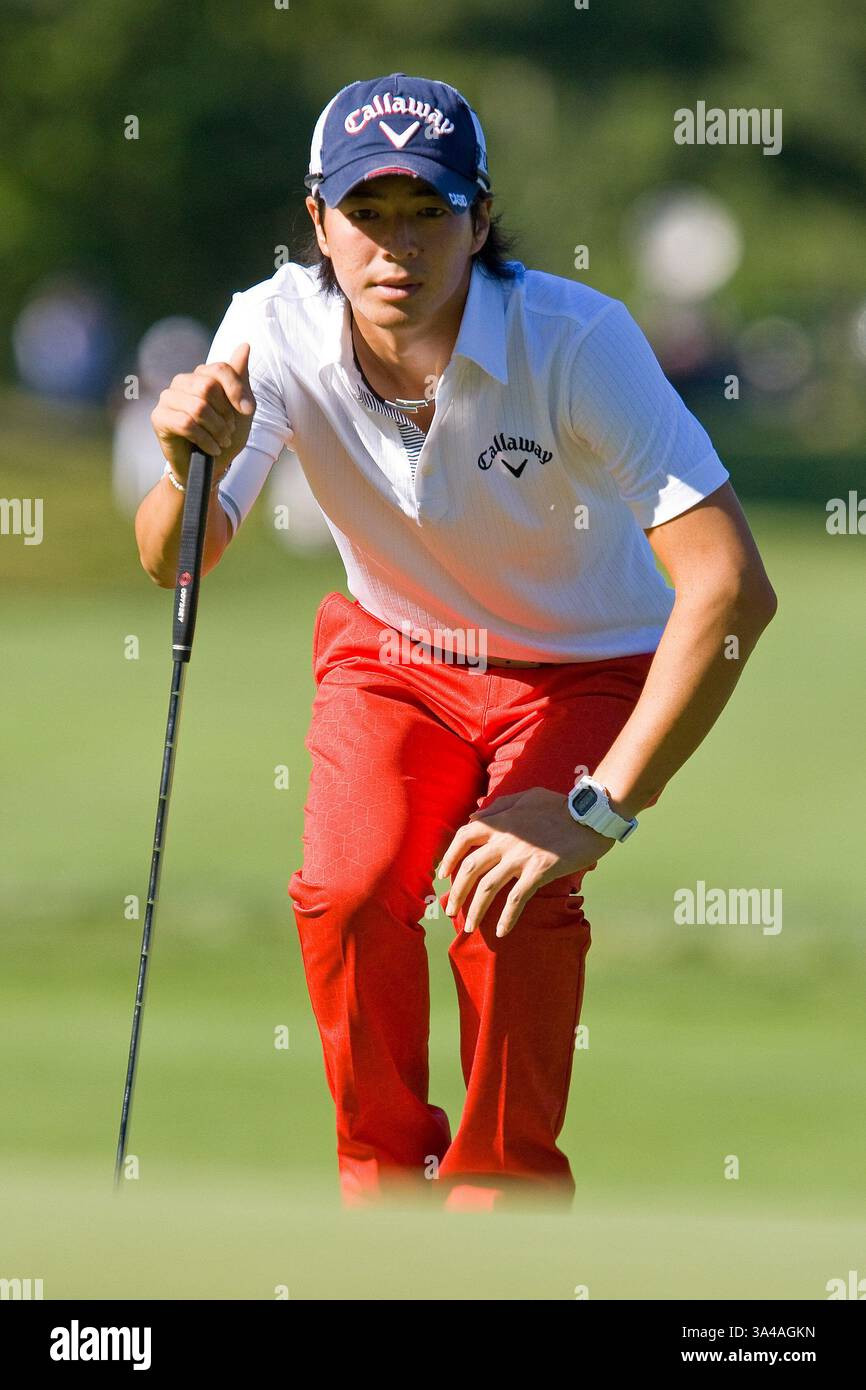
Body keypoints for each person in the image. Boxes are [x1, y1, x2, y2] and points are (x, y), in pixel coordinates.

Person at [135, 72, 778, 1212]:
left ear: (478, 221)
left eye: (426, 211)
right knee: (346, 889)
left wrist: (596, 810)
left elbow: (728, 589)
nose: (397, 246)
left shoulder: (575, 340)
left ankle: (503, 1213)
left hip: (581, 665)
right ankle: (386, 1197)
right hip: (394, 653)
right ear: (317, 222)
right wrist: (188, 453)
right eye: (366, 214)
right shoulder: (270, 327)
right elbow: (177, 558)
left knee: (510, 902)